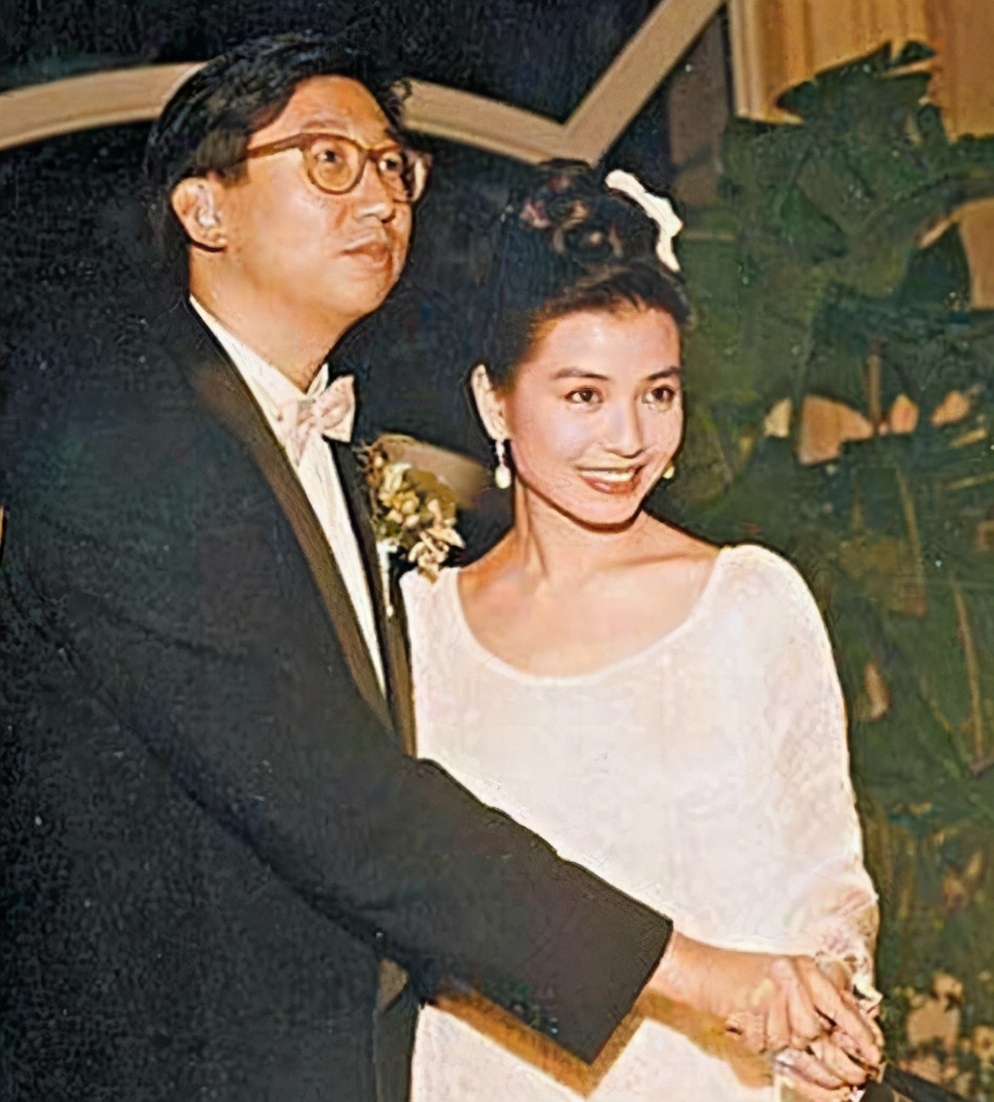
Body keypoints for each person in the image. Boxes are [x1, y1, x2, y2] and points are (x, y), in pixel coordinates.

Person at [0, 33, 880, 1102]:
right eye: (329, 160)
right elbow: (342, 799)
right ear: (205, 208)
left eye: (392, 166)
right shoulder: (124, 446)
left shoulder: (331, 463)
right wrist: (694, 974)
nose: (379, 198)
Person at [401, 164, 881, 1102]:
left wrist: (827, 1010)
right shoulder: (421, 631)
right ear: (495, 402)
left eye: (657, 394)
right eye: (584, 396)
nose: (628, 438)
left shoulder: (747, 603)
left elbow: (827, 881)